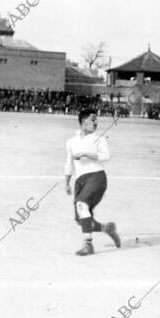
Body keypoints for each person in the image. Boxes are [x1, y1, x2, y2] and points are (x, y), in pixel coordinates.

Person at [64, 109, 121, 256]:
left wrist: (85, 153)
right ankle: (107, 228)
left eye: (97, 120)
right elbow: (69, 164)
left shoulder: (99, 139)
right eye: (93, 119)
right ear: (84, 122)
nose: (96, 123)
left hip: (97, 177)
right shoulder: (71, 142)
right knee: (80, 218)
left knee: (81, 205)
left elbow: (106, 156)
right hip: (80, 181)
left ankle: (88, 245)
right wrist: (66, 183)